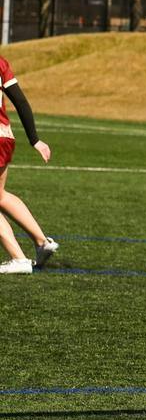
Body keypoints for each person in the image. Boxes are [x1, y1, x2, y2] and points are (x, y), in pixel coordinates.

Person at [0, 54, 57, 273]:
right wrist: (35, 139)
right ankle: (42, 242)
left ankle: (18, 259)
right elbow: (20, 101)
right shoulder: (1, 62)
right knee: (1, 196)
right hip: (5, 136)